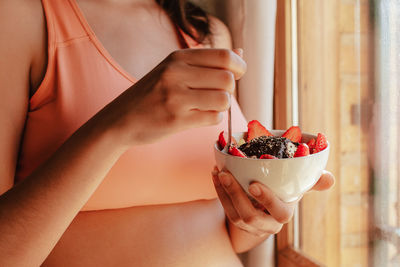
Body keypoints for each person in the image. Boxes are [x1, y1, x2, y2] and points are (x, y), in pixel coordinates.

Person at [0, 0, 334, 266]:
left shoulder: (208, 34)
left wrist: (256, 218)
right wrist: (116, 126)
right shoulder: (18, 17)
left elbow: (232, 232)